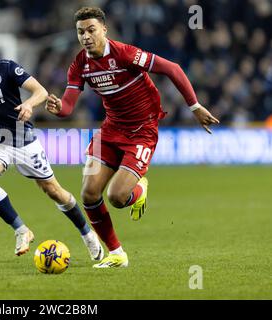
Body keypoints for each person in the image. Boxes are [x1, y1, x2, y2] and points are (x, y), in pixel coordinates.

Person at [46, 7, 220, 268]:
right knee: (89, 193)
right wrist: (59, 108)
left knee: (117, 197)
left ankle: (138, 190)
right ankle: (117, 253)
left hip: (142, 130)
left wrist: (194, 106)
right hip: (110, 130)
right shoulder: (80, 64)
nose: (86, 36)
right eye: (81, 32)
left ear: (104, 29)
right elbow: (69, 106)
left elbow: (172, 68)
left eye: (91, 30)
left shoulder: (125, 53)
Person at [0, 26, 103, 261]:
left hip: (22, 139)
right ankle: (21, 230)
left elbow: (41, 91)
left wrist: (28, 105)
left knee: (53, 191)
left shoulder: (7, 68)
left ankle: (87, 234)